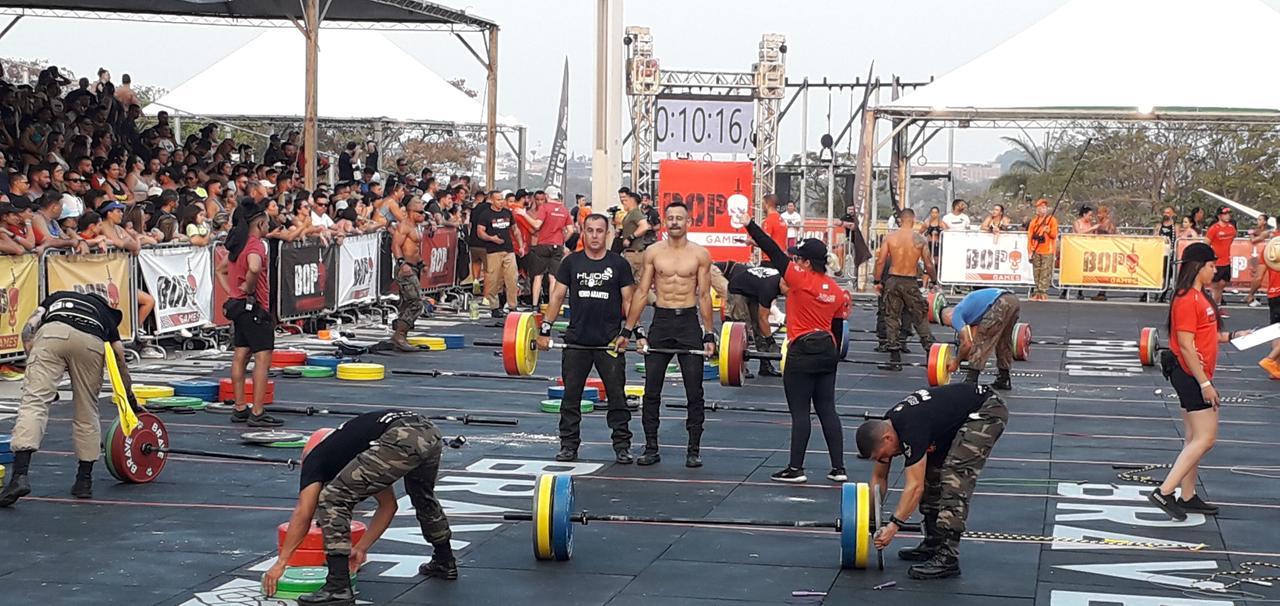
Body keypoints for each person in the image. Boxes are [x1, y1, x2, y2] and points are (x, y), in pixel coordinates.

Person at [263, 410, 456, 604]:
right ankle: (444, 559)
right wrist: (361, 548)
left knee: (333, 498)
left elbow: (303, 514)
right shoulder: (353, 444)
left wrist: (281, 563)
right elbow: (388, 506)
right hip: (428, 431)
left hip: (401, 435)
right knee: (422, 495)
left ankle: (338, 586)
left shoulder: (315, 459)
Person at [739, 211, 851, 483]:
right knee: (827, 409)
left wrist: (749, 225)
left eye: (798, 258)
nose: (795, 262)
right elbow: (837, 330)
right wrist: (833, 359)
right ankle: (839, 469)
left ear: (807, 263)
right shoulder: (837, 291)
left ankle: (796, 469)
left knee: (800, 412)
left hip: (801, 351)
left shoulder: (799, 278)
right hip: (827, 351)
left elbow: (771, 249)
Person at [855, 382, 1008, 579]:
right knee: (932, 473)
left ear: (887, 439)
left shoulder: (911, 428)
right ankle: (934, 542)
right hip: (953, 420)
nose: (884, 459)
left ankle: (948, 557)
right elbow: (879, 477)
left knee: (954, 476)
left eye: (881, 455)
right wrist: (869, 518)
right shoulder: (889, 426)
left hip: (986, 411)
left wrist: (893, 526)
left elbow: (914, 487)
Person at [0, 291, 138, 507]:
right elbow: (119, 356)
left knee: (33, 404)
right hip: (91, 343)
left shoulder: (57, 297)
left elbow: (28, 330)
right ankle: (84, 480)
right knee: (87, 409)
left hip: (51, 335)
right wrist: (130, 399)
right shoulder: (104, 314)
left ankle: (19, 476)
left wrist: (35, 373)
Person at [1148, 243, 1252, 521]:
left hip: (1194, 373)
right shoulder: (1186, 299)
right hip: (1190, 373)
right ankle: (1165, 491)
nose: (1214, 270)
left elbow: (1205, 334)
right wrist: (1205, 384)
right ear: (1198, 267)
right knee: (1206, 438)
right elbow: (1185, 345)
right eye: (1211, 266)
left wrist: (1233, 336)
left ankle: (1188, 494)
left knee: (1194, 437)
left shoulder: (1200, 297)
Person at [537, 213, 636, 463]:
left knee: (617, 397)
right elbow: (557, 296)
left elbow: (629, 301)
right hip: (576, 341)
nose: (594, 235)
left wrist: (629, 332)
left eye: (599, 231)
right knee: (571, 397)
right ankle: (569, 446)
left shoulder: (619, 264)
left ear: (607, 234)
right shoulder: (572, 263)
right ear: (583, 232)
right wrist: (545, 329)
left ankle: (622, 446)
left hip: (609, 342)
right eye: (589, 230)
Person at [623, 201, 714, 468]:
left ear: (688, 223)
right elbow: (641, 292)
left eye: (679, 218)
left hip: (688, 322)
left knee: (694, 391)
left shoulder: (700, 254)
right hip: (661, 322)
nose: (675, 222)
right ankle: (651, 447)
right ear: (665, 221)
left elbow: (705, 295)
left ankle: (693, 449)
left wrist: (709, 333)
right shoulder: (653, 252)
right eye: (670, 217)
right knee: (651, 390)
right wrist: (630, 329)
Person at [216, 201, 283, 427]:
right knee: (262, 360)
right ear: (261, 223)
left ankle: (239, 407)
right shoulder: (255, 245)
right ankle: (257, 410)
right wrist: (249, 286)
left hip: (239, 308)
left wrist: (233, 291)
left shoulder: (238, 244)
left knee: (240, 356)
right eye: (267, 224)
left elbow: (220, 269)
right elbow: (254, 267)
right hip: (255, 308)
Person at [873, 208, 935, 370]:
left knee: (891, 317)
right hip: (910, 280)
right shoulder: (919, 239)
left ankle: (895, 359)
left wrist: (877, 281)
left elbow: (880, 261)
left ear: (900, 220)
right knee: (919, 316)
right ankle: (930, 354)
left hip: (893, 279)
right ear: (913, 220)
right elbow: (928, 264)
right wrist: (934, 280)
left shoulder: (890, 237)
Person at [710, 259, 782, 377]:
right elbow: (764, 315)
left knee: (757, 326)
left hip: (750, 290)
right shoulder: (770, 285)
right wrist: (771, 341)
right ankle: (738, 365)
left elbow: (761, 317)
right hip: (730, 284)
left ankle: (765, 365)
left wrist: (768, 337)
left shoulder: (770, 280)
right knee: (741, 326)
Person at [940, 287, 1021, 390]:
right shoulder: (971, 312)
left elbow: (967, 344)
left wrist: (956, 362)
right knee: (1003, 341)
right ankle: (1004, 378)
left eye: (947, 325)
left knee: (983, 340)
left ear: (948, 315)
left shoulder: (956, 314)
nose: (951, 327)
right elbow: (971, 341)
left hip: (1000, 302)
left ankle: (971, 380)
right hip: (1013, 300)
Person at [519, 185, 571, 309]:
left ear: (547, 196)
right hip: (557, 245)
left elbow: (537, 225)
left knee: (538, 275)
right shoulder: (564, 210)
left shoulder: (545, 208)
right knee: (553, 277)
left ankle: (535, 304)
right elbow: (570, 230)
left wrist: (524, 215)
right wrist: (562, 240)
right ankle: (552, 305)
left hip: (543, 245)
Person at [473, 190, 518, 317]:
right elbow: (480, 232)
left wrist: (520, 244)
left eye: (502, 199)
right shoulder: (485, 214)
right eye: (498, 199)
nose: (501, 202)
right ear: (492, 200)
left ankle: (512, 305)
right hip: (493, 251)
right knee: (493, 279)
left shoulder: (507, 213)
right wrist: (492, 238)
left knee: (512, 278)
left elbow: (515, 229)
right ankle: (494, 306)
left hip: (508, 250)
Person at [390, 199, 428, 352]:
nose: (423, 215)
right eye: (420, 212)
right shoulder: (404, 225)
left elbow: (414, 250)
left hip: (414, 267)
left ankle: (401, 336)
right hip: (405, 269)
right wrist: (402, 263)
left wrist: (422, 264)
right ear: (411, 212)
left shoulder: (416, 227)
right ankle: (399, 335)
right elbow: (395, 245)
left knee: (407, 303)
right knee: (416, 303)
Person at [1026, 199, 1059, 301]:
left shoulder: (1052, 220)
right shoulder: (1033, 222)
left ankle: (1043, 292)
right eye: (1040, 207)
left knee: (1045, 272)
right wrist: (1030, 251)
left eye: (1044, 207)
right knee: (1037, 272)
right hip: (1036, 249)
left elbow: (1054, 235)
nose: (1042, 209)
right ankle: (1036, 291)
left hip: (1047, 250)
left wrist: (1048, 231)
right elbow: (1030, 237)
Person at [1205, 206, 1237, 310]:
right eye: (1225, 214)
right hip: (1216, 262)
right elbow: (1206, 243)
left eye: (1228, 214)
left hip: (1226, 261)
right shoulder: (1214, 228)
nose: (1227, 216)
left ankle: (1217, 305)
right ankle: (1213, 308)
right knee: (1214, 286)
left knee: (1223, 284)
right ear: (1219, 216)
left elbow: (1232, 239)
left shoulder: (1231, 228)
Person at [617, 189, 652, 280]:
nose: (623, 202)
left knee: (627, 282)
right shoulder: (630, 214)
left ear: (632, 201)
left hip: (634, 253)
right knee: (637, 284)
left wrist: (630, 237)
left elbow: (644, 226)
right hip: (631, 252)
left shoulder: (635, 213)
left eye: (626, 200)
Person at [1243, 214, 1275, 307]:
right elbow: (1254, 239)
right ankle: (1251, 296)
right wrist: (1252, 233)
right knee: (1258, 276)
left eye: (1260, 219)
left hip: (1271, 254)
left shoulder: (1267, 231)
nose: (1258, 221)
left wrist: (1251, 234)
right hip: (1265, 254)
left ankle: (1251, 296)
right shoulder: (1264, 231)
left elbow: (1255, 238)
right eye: (1258, 219)